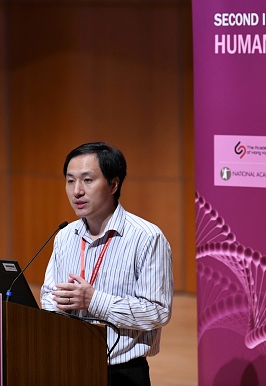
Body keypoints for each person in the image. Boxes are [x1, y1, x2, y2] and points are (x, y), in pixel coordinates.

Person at [40, 142, 174, 386]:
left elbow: (158, 311)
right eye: (70, 181)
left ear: (113, 184)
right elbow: (48, 295)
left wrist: (94, 300)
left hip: (121, 373)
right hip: (68, 364)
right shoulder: (65, 236)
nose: (77, 191)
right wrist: (59, 304)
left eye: (87, 180)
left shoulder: (147, 237)